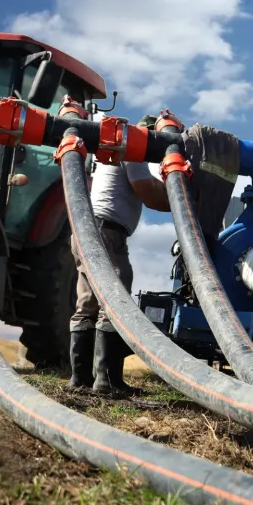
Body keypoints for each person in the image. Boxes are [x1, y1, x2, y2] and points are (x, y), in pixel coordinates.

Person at [68, 114, 170, 394]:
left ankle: (81, 379)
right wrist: (180, 201)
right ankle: (107, 381)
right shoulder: (132, 148)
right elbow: (146, 190)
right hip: (107, 232)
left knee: (87, 303)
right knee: (115, 302)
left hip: (86, 230)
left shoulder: (111, 153)